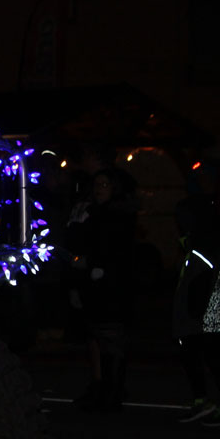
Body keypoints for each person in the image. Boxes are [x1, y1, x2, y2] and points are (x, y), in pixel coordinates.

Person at [66, 168, 138, 411]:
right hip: (96, 285)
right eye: (97, 184)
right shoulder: (93, 213)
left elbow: (115, 251)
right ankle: (107, 389)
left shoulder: (118, 215)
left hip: (112, 286)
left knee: (112, 338)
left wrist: (94, 263)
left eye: (105, 184)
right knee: (100, 336)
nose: (99, 189)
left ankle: (112, 392)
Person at [173, 192, 220, 426]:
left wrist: (195, 310)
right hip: (195, 309)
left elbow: (205, 277)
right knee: (191, 354)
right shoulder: (195, 240)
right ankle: (203, 401)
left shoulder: (206, 241)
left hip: (207, 309)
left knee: (216, 356)